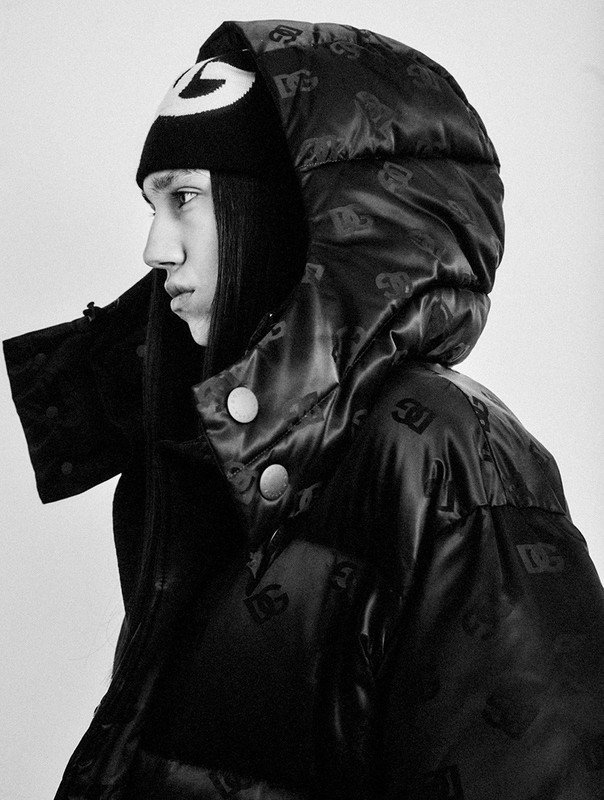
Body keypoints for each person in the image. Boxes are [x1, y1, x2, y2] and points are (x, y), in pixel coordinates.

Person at [4, 18, 604, 800]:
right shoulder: (204, 448)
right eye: (152, 206)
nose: (156, 249)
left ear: (296, 211)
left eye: (184, 199)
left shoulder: (449, 453)